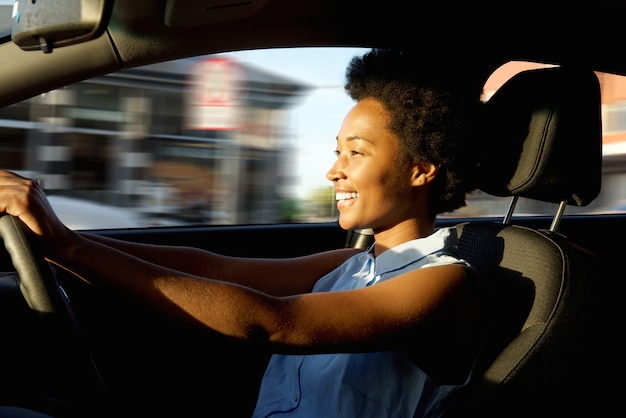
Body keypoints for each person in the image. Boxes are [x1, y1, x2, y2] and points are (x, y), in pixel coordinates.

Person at [0, 48, 486, 417]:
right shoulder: (354, 264)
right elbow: (216, 268)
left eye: (355, 153)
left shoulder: (442, 281)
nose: (333, 172)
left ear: (422, 170)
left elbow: (273, 321)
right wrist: (60, 238)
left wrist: (70, 246)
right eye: (337, 152)